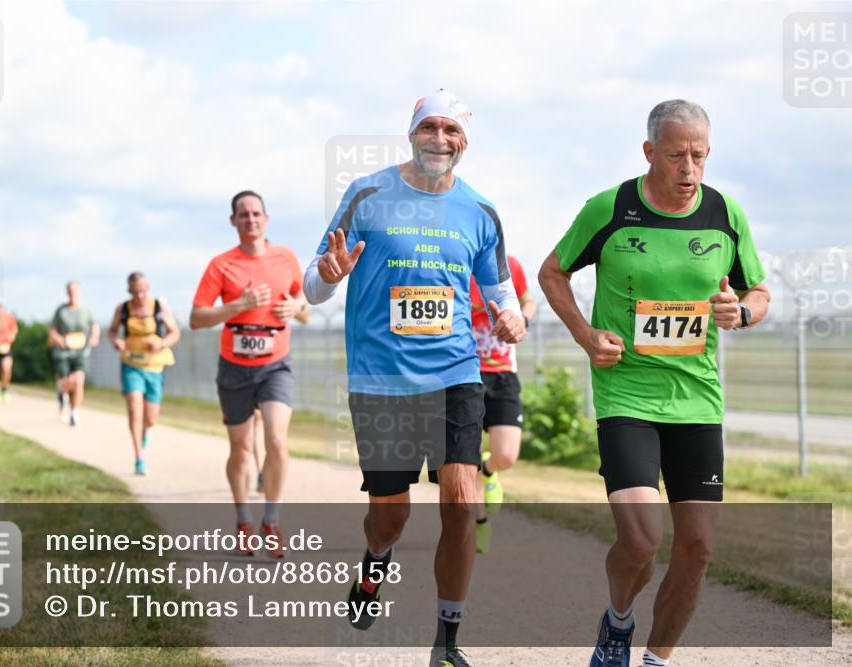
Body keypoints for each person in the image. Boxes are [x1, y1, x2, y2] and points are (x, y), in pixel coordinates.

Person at [538, 100, 770, 667]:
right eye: (675, 156)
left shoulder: (726, 214)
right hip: (626, 394)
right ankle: (618, 621)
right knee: (642, 539)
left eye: (699, 156)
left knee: (698, 548)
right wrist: (586, 335)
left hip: (697, 400)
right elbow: (553, 271)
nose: (689, 169)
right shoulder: (610, 209)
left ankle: (655, 660)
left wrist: (741, 312)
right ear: (649, 152)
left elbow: (759, 292)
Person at [304, 90, 524, 667]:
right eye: (430, 127)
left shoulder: (480, 211)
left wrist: (512, 314)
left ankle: (446, 642)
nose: (440, 139)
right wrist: (329, 275)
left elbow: (500, 288)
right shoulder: (368, 194)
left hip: (455, 375)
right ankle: (376, 560)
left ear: (465, 142)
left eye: (452, 130)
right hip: (381, 381)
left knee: (462, 501)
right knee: (390, 517)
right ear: (411, 133)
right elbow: (313, 284)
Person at [190, 190, 309, 558]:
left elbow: (305, 307)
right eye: (243, 214)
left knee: (276, 440)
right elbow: (197, 318)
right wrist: (239, 305)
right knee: (241, 450)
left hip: (276, 364)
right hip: (235, 367)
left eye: (256, 213)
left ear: (266, 219)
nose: (251, 219)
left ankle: (271, 521)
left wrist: (295, 307)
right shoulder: (221, 265)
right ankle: (243, 521)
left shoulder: (286, 258)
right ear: (233, 221)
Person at [470, 255, 537, 553]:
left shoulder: (507, 264)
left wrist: (522, 319)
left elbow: (529, 302)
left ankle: (489, 470)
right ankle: (480, 522)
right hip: (464, 374)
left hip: (502, 375)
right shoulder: (452, 261)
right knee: (466, 457)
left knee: (507, 456)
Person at [107, 272, 180, 475]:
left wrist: (162, 343)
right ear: (129, 290)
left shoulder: (159, 307)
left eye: (143, 290)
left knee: (150, 419)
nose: (140, 295)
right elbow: (112, 330)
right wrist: (116, 341)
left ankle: (145, 431)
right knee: (134, 407)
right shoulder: (122, 309)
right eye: (136, 291)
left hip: (154, 366)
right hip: (131, 364)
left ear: (149, 288)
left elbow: (175, 333)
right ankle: (139, 457)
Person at [48, 281, 100, 426]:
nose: (73, 293)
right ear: (67, 292)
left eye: (75, 290)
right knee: (65, 382)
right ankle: (62, 397)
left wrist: (94, 337)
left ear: (80, 292)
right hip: (63, 353)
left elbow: (94, 326)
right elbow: (52, 330)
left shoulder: (86, 311)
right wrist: (59, 339)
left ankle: (74, 412)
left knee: (78, 381)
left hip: (81, 352)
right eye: (70, 291)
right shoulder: (61, 311)